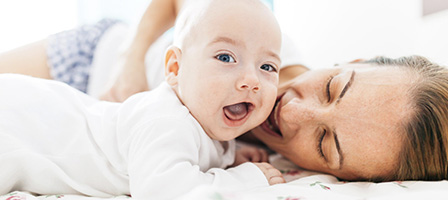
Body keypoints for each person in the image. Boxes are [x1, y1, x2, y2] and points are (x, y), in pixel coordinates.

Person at [1, 0, 448, 183]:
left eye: (324, 142)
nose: (291, 111)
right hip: (93, 58)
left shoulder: (276, 164)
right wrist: (131, 61)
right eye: (332, 87)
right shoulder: (259, 38)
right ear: (352, 62)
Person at [0, 0, 285, 198]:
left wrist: (229, 155)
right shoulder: (165, 120)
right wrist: (246, 178)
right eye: (225, 57)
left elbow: (194, 151)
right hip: (19, 123)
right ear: (175, 68)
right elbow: (164, 191)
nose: (251, 79)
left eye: (267, 67)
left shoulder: (205, 118)